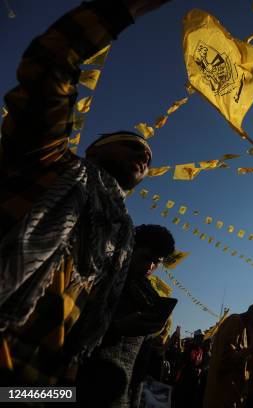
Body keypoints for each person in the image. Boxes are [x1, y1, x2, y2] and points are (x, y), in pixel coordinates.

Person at [0, 0, 172, 385]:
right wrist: (118, 10)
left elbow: (84, 323)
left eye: (147, 157)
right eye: (131, 144)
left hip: (36, 387)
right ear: (93, 149)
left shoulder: (120, 238)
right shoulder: (46, 162)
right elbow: (51, 64)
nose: (144, 153)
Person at [76, 224, 176, 408]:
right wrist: (115, 328)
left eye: (156, 262)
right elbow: (73, 331)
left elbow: (140, 363)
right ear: (131, 249)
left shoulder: (150, 298)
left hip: (120, 394)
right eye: (145, 257)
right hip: (81, 386)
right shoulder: (99, 278)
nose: (149, 266)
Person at [203, 299, 253, 408]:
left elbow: (246, 370)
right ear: (252, 308)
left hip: (234, 399)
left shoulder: (245, 332)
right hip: (220, 399)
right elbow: (225, 361)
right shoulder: (234, 321)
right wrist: (251, 349)